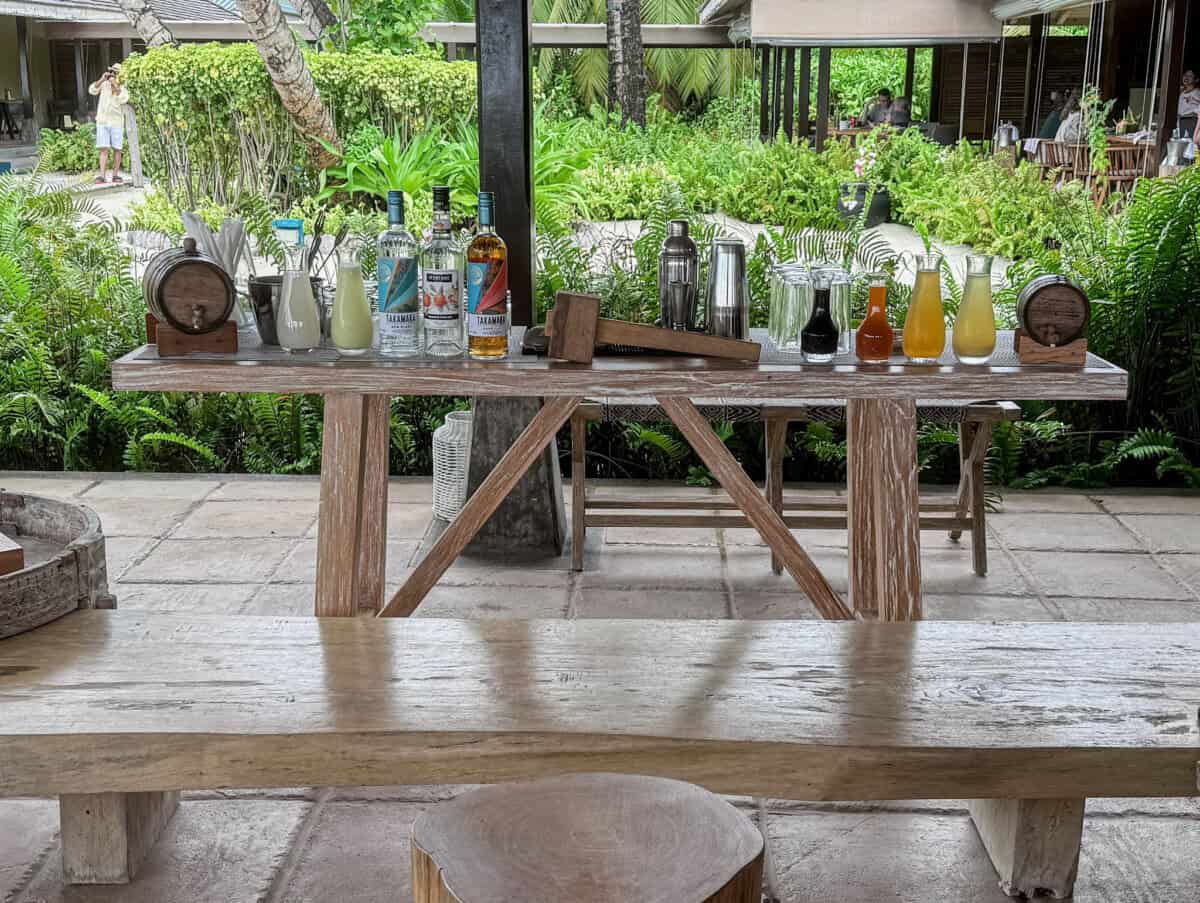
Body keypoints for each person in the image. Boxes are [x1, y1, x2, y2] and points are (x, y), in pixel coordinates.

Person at [88, 63, 129, 184]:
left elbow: (123, 98)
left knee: (117, 149)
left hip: (116, 122)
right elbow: (92, 90)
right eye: (112, 72)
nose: (112, 74)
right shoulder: (104, 84)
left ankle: (115, 175)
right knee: (103, 149)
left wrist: (115, 83)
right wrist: (102, 79)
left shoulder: (123, 87)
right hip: (103, 121)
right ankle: (102, 176)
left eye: (115, 72)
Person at [1178, 69, 1200, 139]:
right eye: (1185, 75)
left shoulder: (1197, 93)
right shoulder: (1181, 93)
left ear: (1196, 79)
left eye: (1190, 76)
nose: (1186, 77)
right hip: (1180, 121)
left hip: (1192, 121)